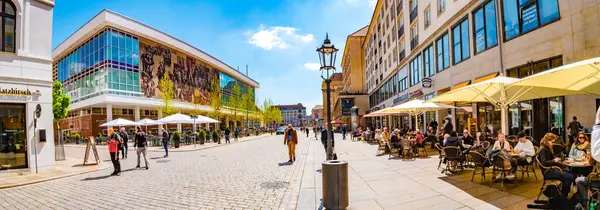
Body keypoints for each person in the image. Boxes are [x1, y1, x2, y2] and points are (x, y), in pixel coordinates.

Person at [539, 132, 574, 197]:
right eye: (552, 142)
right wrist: (554, 160)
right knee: (570, 176)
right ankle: (563, 195)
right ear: (548, 140)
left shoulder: (546, 147)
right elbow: (544, 163)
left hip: (552, 169)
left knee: (570, 173)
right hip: (548, 171)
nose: (552, 143)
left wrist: (558, 159)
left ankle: (563, 193)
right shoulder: (543, 149)